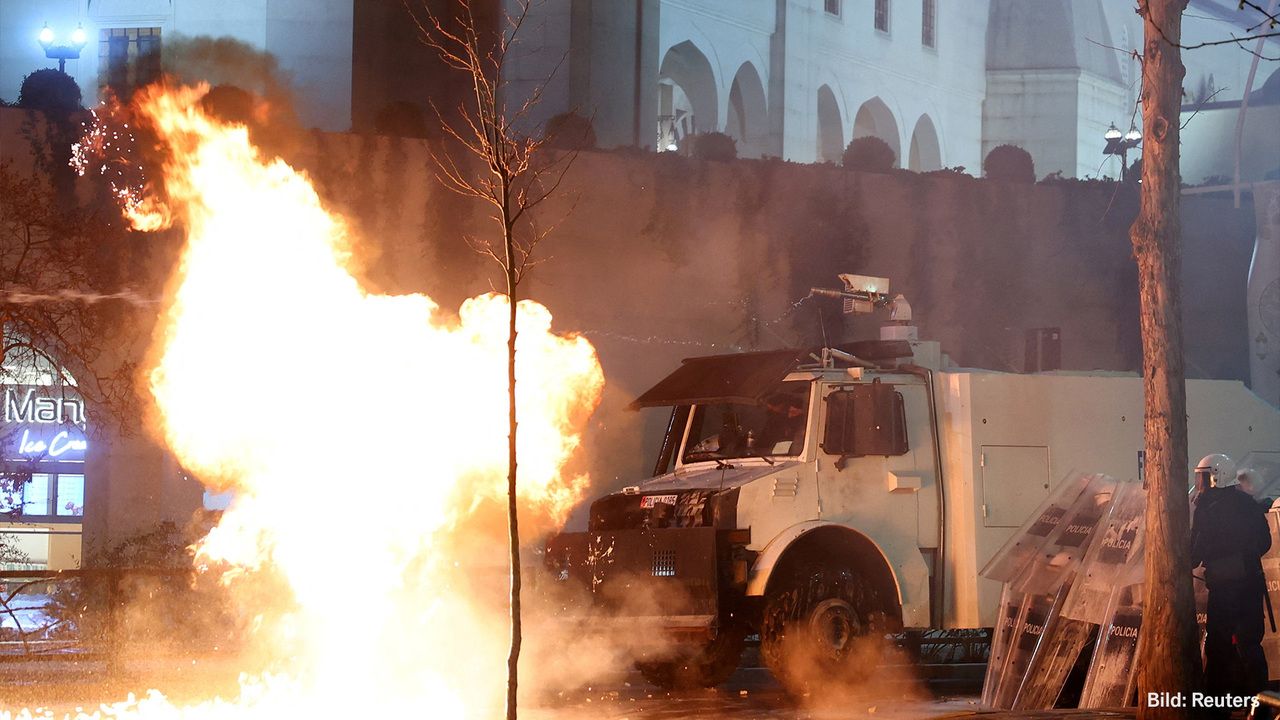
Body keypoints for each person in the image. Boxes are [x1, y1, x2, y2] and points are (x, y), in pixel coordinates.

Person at [1190, 453, 1272, 702]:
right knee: (1250, 645)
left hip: (1224, 589)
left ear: (1217, 476)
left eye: (1204, 478)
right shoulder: (1248, 504)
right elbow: (1264, 542)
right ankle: (1262, 703)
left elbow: (1195, 552)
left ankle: (1217, 704)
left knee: (1219, 645)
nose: (1201, 484)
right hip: (1251, 583)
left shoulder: (1205, 509)